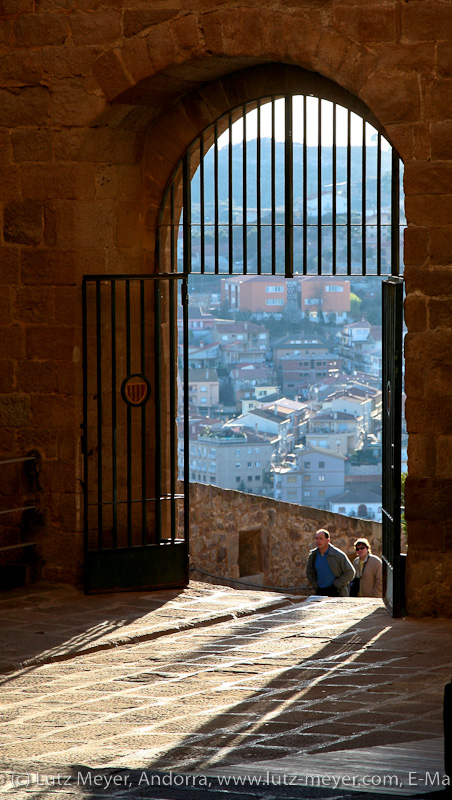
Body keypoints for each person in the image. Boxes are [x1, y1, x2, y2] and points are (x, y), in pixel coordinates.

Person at [306, 529, 355, 597]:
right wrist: (315, 584)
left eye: (321, 538)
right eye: (316, 538)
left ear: (328, 540)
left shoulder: (337, 555)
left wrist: (337, 584)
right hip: (319, 591)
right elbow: (309, 572)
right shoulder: (313, 555)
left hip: (336, 591)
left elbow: (350, 572)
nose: (318, 541)